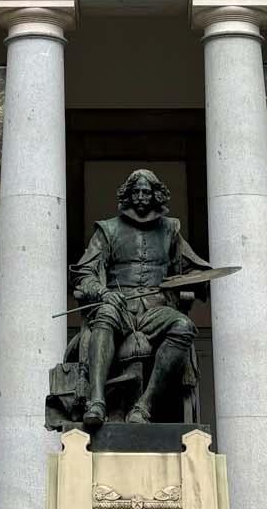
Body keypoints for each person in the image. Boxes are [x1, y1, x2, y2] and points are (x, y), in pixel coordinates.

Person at [70, 168, 212, 427]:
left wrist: (195, 282)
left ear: (156, 195)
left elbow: (192, 269)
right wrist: (103, 293)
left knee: (183, 326)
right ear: (127, 195)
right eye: (135, 192)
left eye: (146, 192)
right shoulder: (107, 229)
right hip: (118, 305)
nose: (141, 197)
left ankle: (144, 406)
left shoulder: (170, 230)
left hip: (156, 309)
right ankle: (97, 402)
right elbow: (84, 273)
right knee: (104, 315)